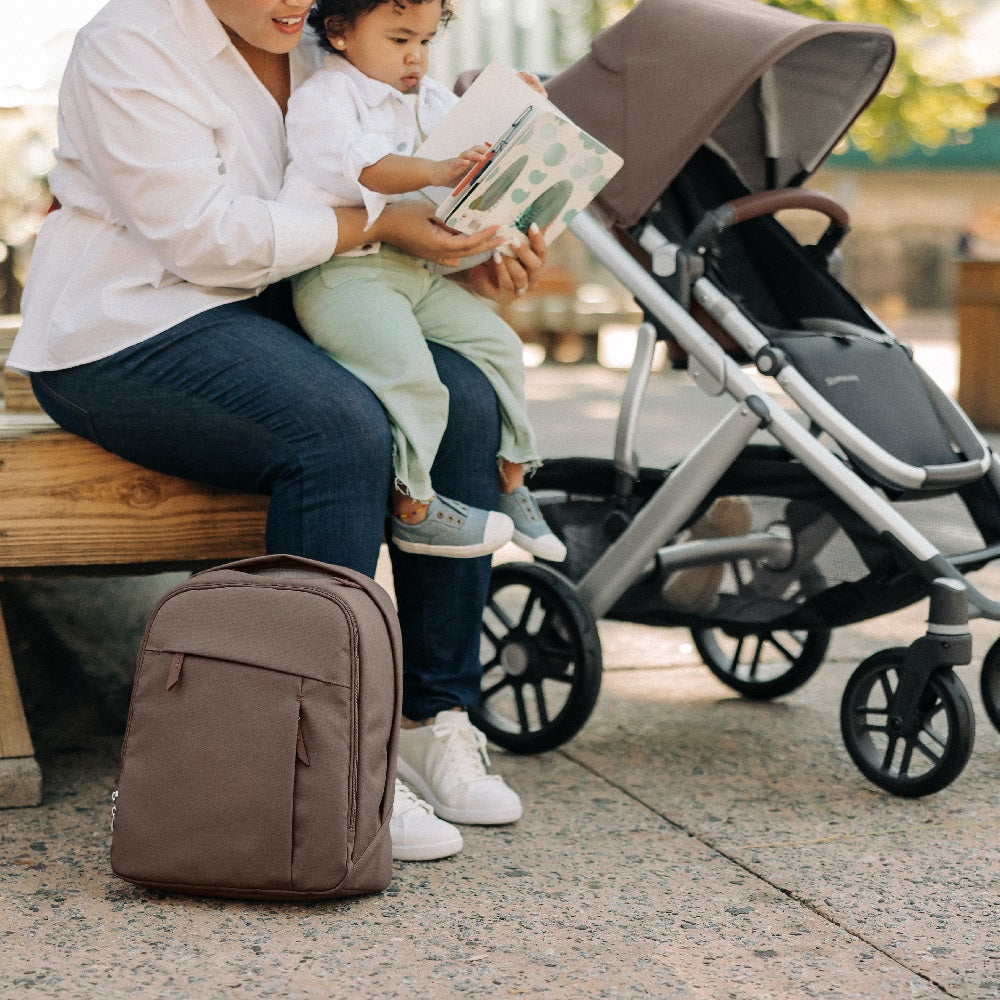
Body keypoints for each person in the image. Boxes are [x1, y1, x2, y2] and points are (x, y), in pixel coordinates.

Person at [7, 0, 550, 863]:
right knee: (339, 428)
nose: (297, 1)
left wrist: (473, 256)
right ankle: (322, 756)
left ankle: (431, 717)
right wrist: (376, 226)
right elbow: (204, 237)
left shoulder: (330, 39)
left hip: (287, 307)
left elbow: (394, 189)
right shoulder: (130, 46)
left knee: (470, 399)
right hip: (130, 326)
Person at [282, 0, 566, 563]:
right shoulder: (325, 98)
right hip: (347, 275)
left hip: (414, 273)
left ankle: (511, 478)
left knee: (501, 347)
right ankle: (413, 508)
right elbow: (364, 167)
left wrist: (523, 109)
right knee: (413, 377)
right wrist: (437, 170)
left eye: (426, 41)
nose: (416, 57)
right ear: (339, 33)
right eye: (399, 40)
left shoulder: (430, 98)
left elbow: (476, 143)